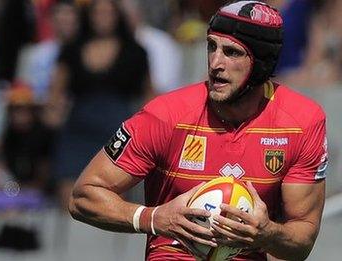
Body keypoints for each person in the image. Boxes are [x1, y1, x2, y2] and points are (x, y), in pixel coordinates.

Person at [69, 1, 328, 260]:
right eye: (211, 46)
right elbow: (83, 196)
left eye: (232, 52)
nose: (216, 62)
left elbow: (302, 240)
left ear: (261, 63)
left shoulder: (302, 122)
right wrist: (153, 217)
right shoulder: (165, 115)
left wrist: (267, 234)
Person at [46, 0, 152, 210]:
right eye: (98, 13)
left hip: (118, 130)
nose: (103, 19)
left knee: (112, 193)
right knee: (69, 193)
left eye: (108, 13)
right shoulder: (72, 49)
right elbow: (56, 91)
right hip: (78, 128)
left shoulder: (135, 51)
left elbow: (148, 92)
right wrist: (52, 115)